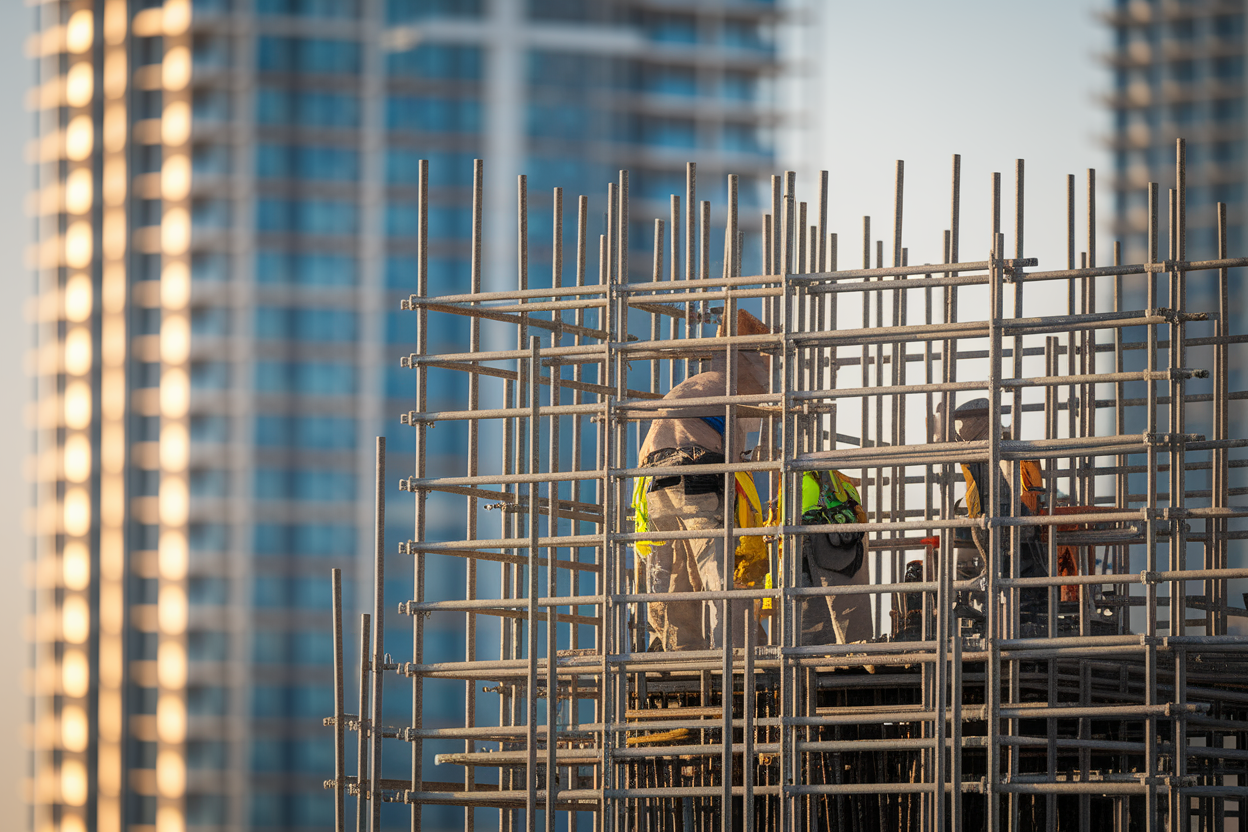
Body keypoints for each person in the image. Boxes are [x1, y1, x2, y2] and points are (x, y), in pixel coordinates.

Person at [633, 309, 770, 651]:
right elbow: (734, 466)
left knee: (671, 569)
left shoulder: (697, 386)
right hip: (695, 471)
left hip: (655, 480)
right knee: (717, 568)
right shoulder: (730, 393)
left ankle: (678, 648)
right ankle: (735, 650)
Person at [949, 398, 1048, 617]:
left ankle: (1014, 599)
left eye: (962, 426)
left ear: (978, 425)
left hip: (1004, 525)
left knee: (1009, 563)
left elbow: (1004, 498)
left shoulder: (992, 457)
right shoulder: (976, 458)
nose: (958, 434)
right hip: (992, 520)